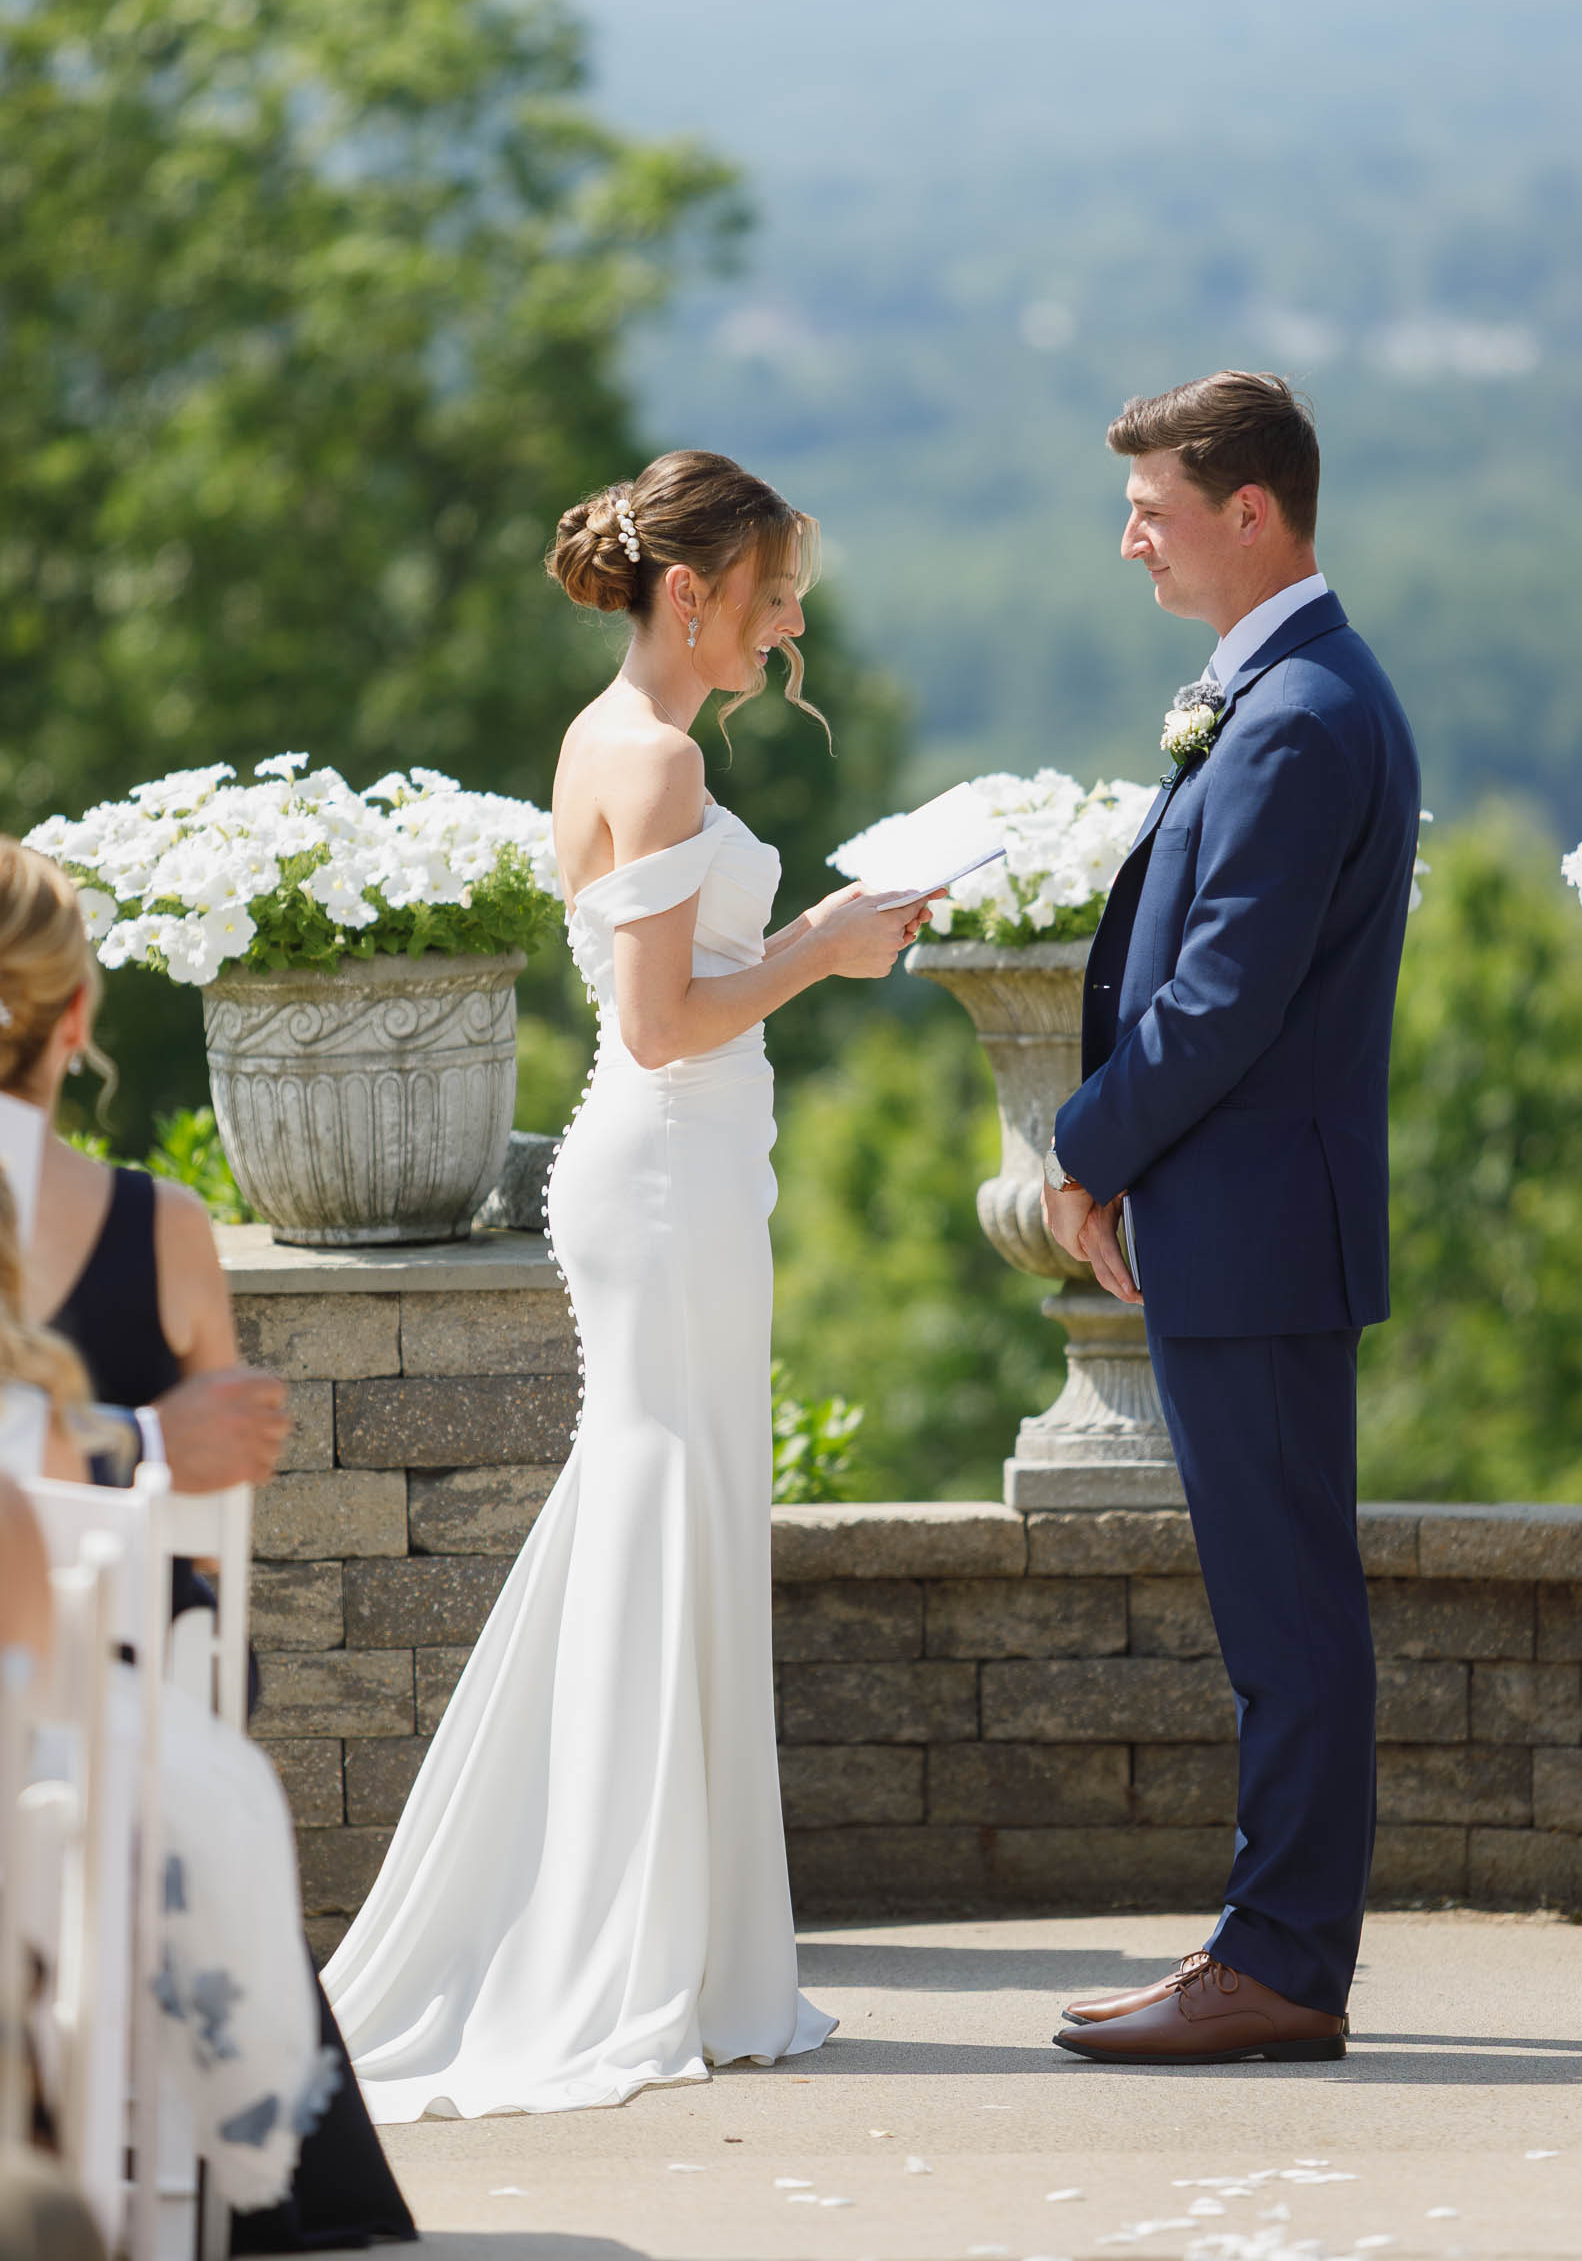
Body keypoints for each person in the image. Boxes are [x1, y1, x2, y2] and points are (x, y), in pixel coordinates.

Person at [325, 450, 929, 2118]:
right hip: (661, 1175)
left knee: (666, 1513)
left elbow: (665, 987)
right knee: (661, 1513)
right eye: (775, 594)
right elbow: (663, 1025)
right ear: (694, 592)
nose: (793, 623)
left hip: (674, 1176)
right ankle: (627, 1948)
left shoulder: (614, 740)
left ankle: (673, 1935)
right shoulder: (654, 758)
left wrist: (803, 941)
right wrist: (828, 946)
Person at [1043, 373, 1420, 2066]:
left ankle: (1276, 1966)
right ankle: (1274, 1950)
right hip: (1255, 1223)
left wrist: (1080, 1147)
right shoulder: (1287, 694)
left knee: (1282, 1618)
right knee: (1281, 1609)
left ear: (1250, 509)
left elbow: (1219, 1003)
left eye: (1151, 509)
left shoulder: (1297, 716)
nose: (1127, 541)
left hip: (1258, 1230)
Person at [0, 842, 415, 2249]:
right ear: (75, 1021)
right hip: (112, 1685)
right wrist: (145, 1443)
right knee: (199, 1725)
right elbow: (215, 1543)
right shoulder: (159, 1231)